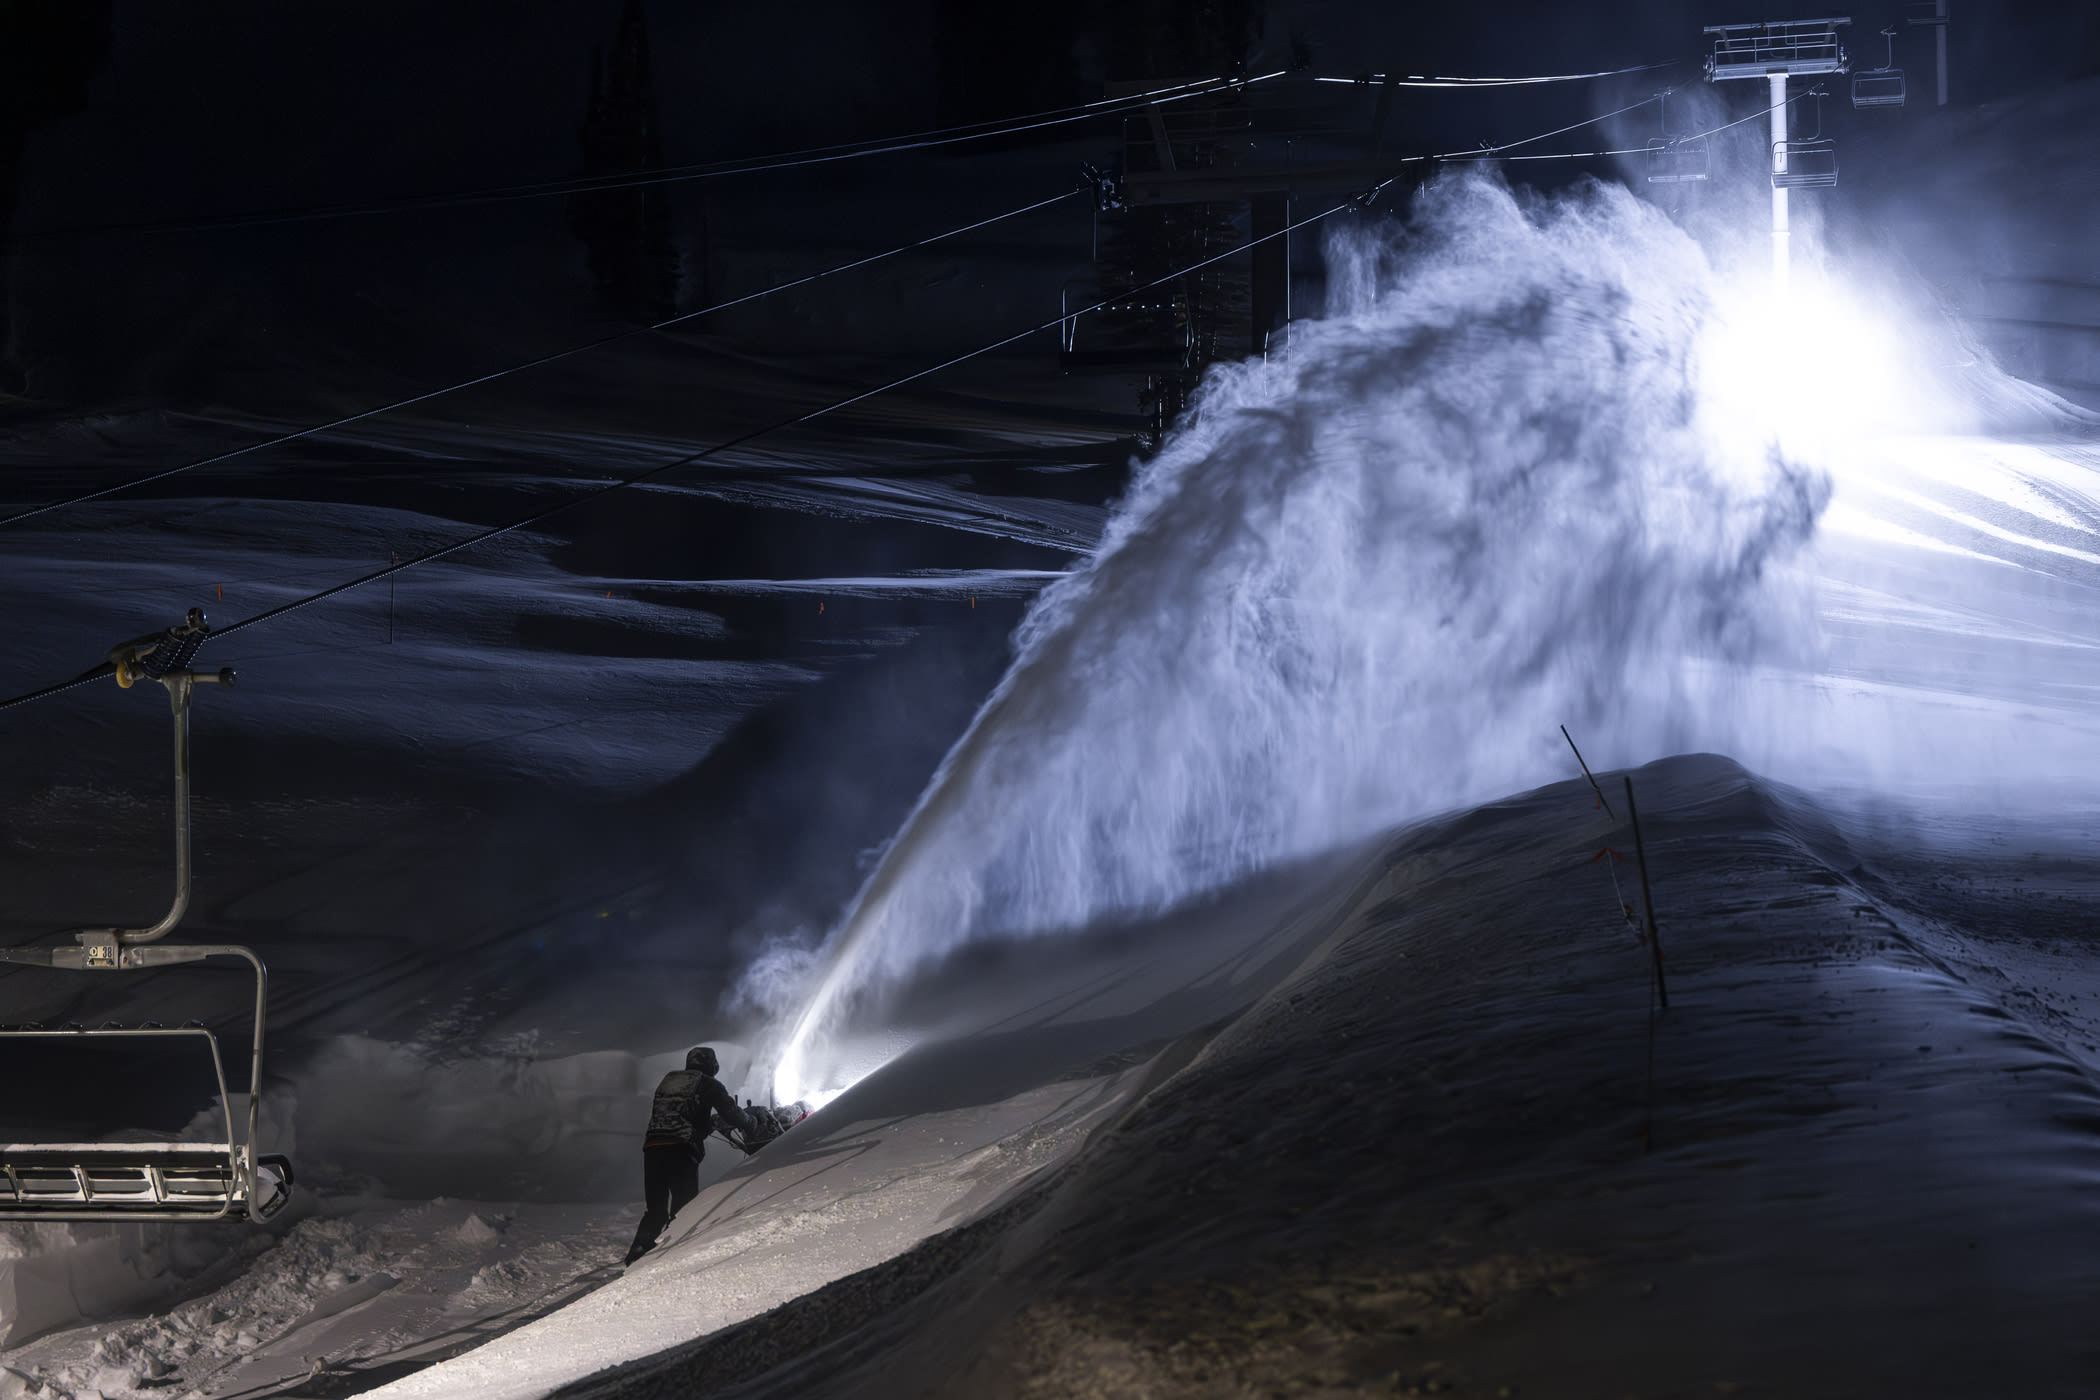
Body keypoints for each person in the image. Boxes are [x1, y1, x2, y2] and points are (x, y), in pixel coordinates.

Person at [625, 1046, 751, 1265]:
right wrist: (751, 1122)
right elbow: (732, 1115)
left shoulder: (669, 1080)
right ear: (712, 1065)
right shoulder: (709, 1083)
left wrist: (706, 1124)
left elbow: (679, 1112)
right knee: (683, 1209)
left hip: (653, 1148)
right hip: (680, 1149)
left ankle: (637, 1255)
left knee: (655, 1210)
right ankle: (675, 1258)